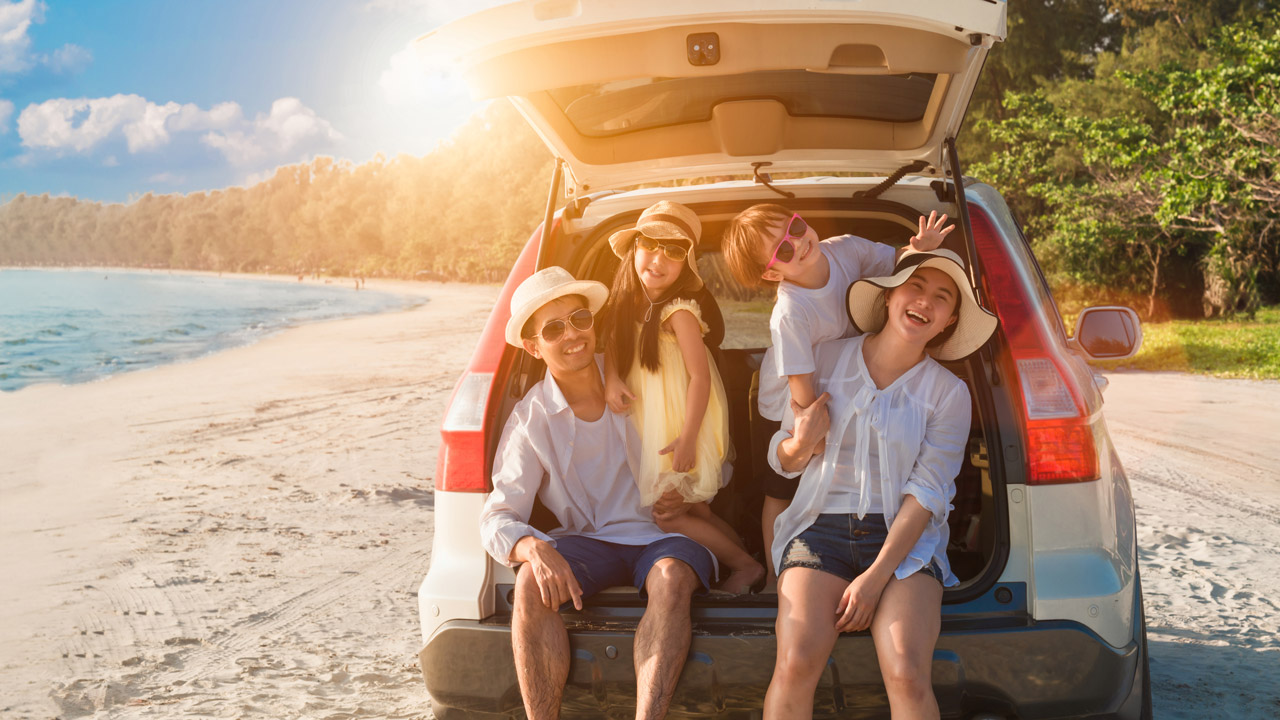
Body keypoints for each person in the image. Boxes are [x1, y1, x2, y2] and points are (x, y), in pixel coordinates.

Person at [761, 248, 998, 720]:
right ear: (889, 297)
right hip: (819, 530)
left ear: (949, 320)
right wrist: (800, 444)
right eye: (915, 287)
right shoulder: (825, 359)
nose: (925, 302)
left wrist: (874, 579)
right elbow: (782, 458)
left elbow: (928, 492)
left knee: (907, 673)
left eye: (941, 297)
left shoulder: (949, 393)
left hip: (903, 544)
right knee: (793, 663)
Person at [480, 266, 716, 720]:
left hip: (666, 533)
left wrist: (689, 492)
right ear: (533, 347)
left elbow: (707, 443)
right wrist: (530, 547)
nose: (572, 334)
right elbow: (497, 516)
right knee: (531, 580)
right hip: (590, 542)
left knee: (670, 578)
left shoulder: (641, 375)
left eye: (579, 319)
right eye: (553, 328)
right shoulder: (532, 420)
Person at [720, 204, 955, 587]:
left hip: (847, 380)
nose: (797, 244)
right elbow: (800, 384)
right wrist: (809, 435)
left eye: (794, 227)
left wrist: (921, 249)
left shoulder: (844, 249)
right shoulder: (790, 312)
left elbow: (899, 266)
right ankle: (775, 576)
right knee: (780, 487)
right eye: (781, 251)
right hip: (792, 396)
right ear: (772, 272)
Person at [601, 201, 765, 595]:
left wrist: (689, 438)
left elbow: (700, 376)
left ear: (686, 265)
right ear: (634, 248)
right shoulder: (625, 307)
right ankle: (747, 558)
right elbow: (611, 345)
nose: (659, 259)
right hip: (653, 426)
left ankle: (746, 566)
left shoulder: (680, 311)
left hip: (683, 428)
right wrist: (610, 380)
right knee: (695, 510)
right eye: (651, 245)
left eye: (674, 252)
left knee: (667, 516)